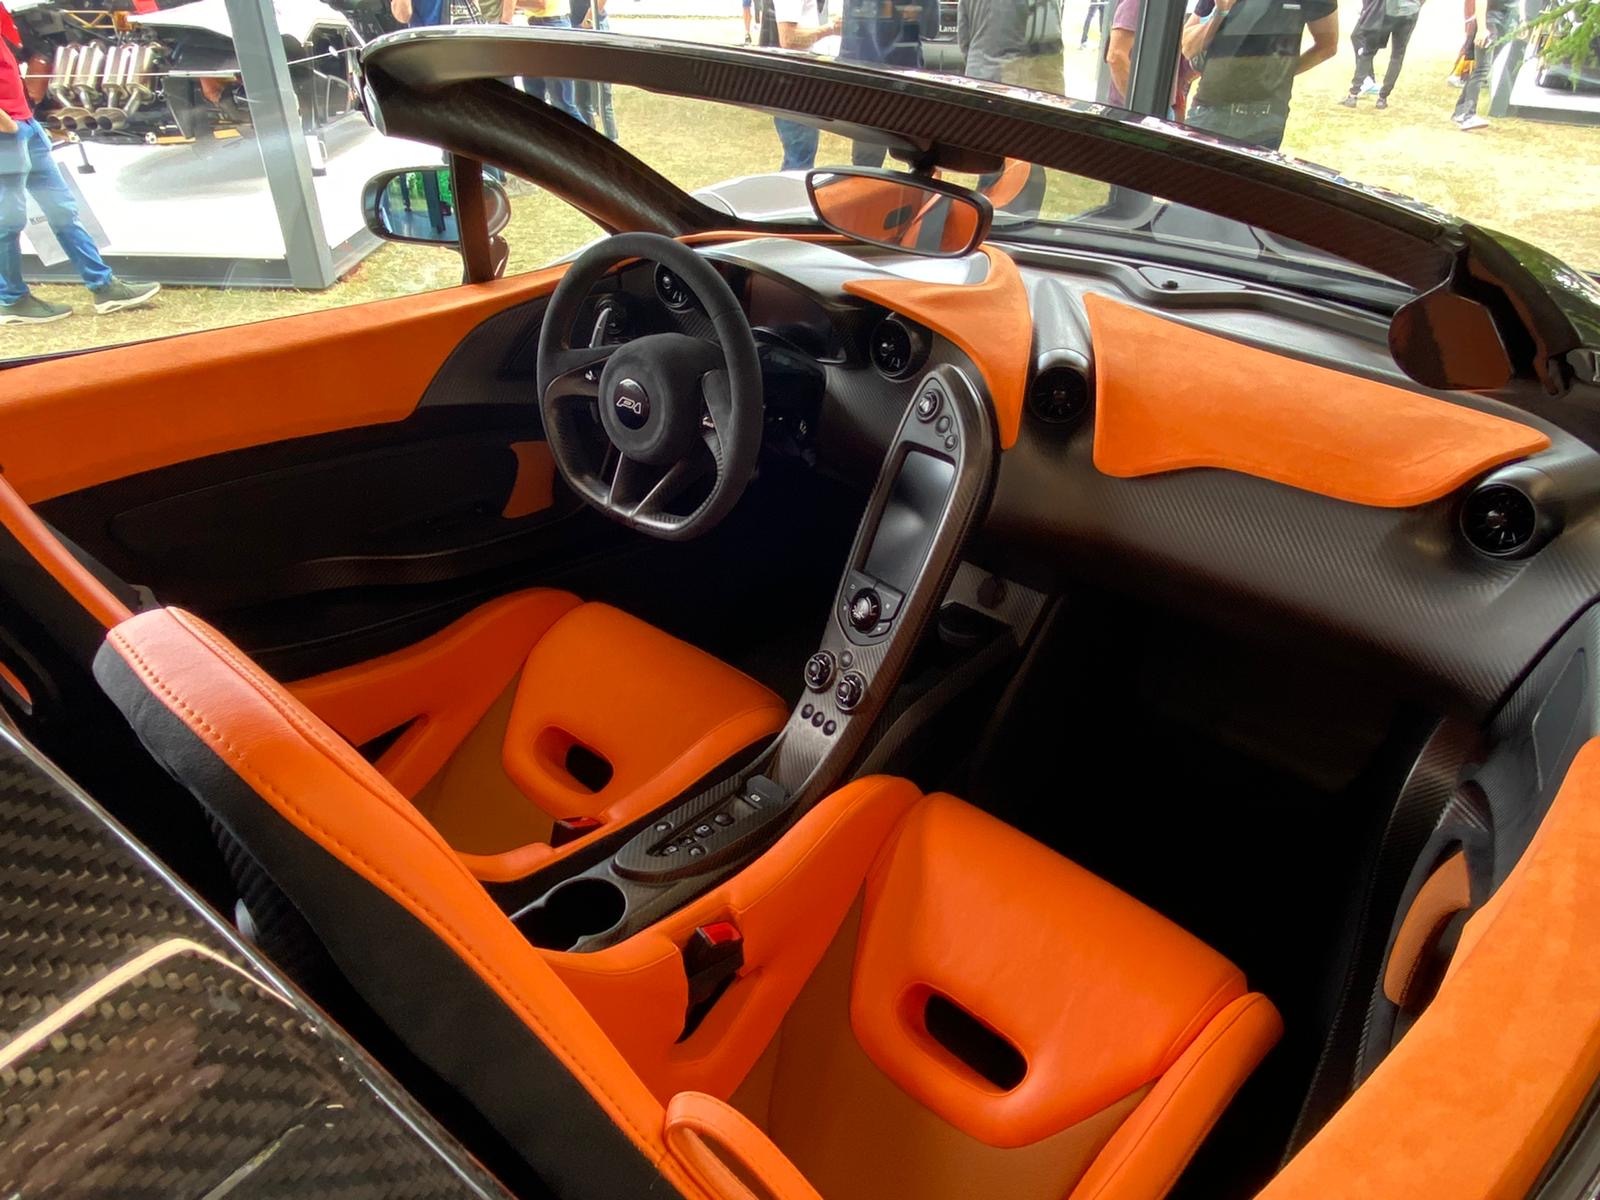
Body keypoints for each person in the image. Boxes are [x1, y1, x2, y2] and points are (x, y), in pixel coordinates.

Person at [0, 4, 158, 325]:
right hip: (9, 132)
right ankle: (12, 299)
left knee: (62, 209)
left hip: (25, 125)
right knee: (9, 221)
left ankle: (103, 286)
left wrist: (27, 120)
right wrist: (8, 126)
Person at [1181, 0, 1338, 150]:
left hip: (1264, 119)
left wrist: (1279, 75)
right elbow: (1187, 48)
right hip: (1207, 110)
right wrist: (1220, 12)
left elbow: (1327, 46)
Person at [840, 0, 921, 165]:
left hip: (866, 75)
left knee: (867, 161)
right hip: (902, 75)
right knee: (918, 158)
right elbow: (931, 28)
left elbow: (852, 31)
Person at [765, 0, 841, 171]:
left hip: (799, 82)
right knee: (799, 160)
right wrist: (831, 29)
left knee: (801, 156)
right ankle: (789, 197)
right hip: (793, 86)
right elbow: (789, 39)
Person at [1104, 0, 1197, 118]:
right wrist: (1142, 111)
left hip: (1159, 109)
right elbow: (1116, 57)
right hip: (1136, 113)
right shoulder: (1138, 3)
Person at [500, 0, 586, 123]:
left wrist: (508, 3)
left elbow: (541, 3)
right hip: (538, 26)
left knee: (562, 105)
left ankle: (587, 142)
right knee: (534, 99)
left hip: (552, 27)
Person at [1339, 0, 1422, 109]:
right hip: (1409, 12)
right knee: (1397, 55)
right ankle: (1382, 99)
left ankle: (1353, 95)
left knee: (1368, 52)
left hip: (1385, 11)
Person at [1451, 0, 1510, 130]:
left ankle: (1461, 112)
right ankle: (1467, 114)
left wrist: (1522, 19)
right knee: (1482, 68)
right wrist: (1482, 29)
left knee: (1482, 68)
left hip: (1507, 23)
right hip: (1491, 21)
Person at [571, 0, 617, 139]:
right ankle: (589, 142)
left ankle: (611, 143)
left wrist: (588, 21)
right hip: (573, 27)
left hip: (593, 27)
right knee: (580, 98)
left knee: (602, 97)